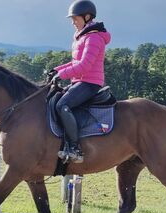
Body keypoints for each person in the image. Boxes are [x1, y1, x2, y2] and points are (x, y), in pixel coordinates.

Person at [51, 0, 111, 163]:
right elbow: (75, 63)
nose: (72, 22)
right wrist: (57, 70)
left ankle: (75, 148)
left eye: (75, 19)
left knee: (62, 105)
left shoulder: (94, 38)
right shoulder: (82, 37)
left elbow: (84, 65)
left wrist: (61, 75)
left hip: (90, 83)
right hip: (79, 81)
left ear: (87, 17)